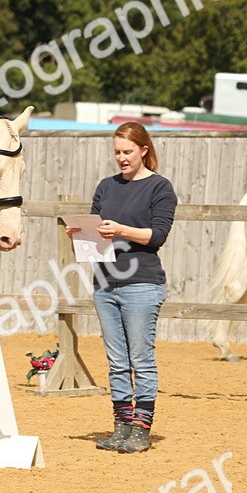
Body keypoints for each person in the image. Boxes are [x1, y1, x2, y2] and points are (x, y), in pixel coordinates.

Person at [70, 122, 177, 453]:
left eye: (127, 152)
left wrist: (121, 230)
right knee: (116, 360)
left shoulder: (160, 188)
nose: (121, 158)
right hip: (104, 283)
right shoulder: (106, 187)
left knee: (141, 358)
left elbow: (156, 236)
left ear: (144, 150)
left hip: (142, 283)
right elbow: (95, 229)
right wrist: (83, 233)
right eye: (117, 152)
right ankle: (121, 426)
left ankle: (141, 429)